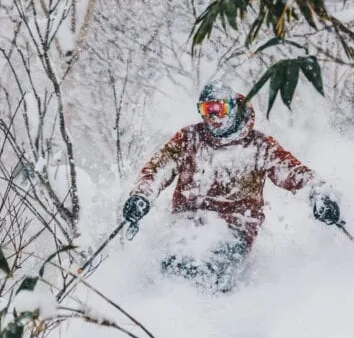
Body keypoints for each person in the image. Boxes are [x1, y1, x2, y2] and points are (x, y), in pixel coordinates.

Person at [121, 81, 340, 293]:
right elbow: (159, 169)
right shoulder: (189, 139)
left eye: (220, 108)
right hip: (185, 223)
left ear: (233, 107)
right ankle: (159, 311)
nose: (214, 116)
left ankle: (214, 314)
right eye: (207, 109)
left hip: (236, 227)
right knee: (170, 264)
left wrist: (318, 195)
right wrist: (142, 196)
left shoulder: (259, 146)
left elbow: (293, 172)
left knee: (212, 271)